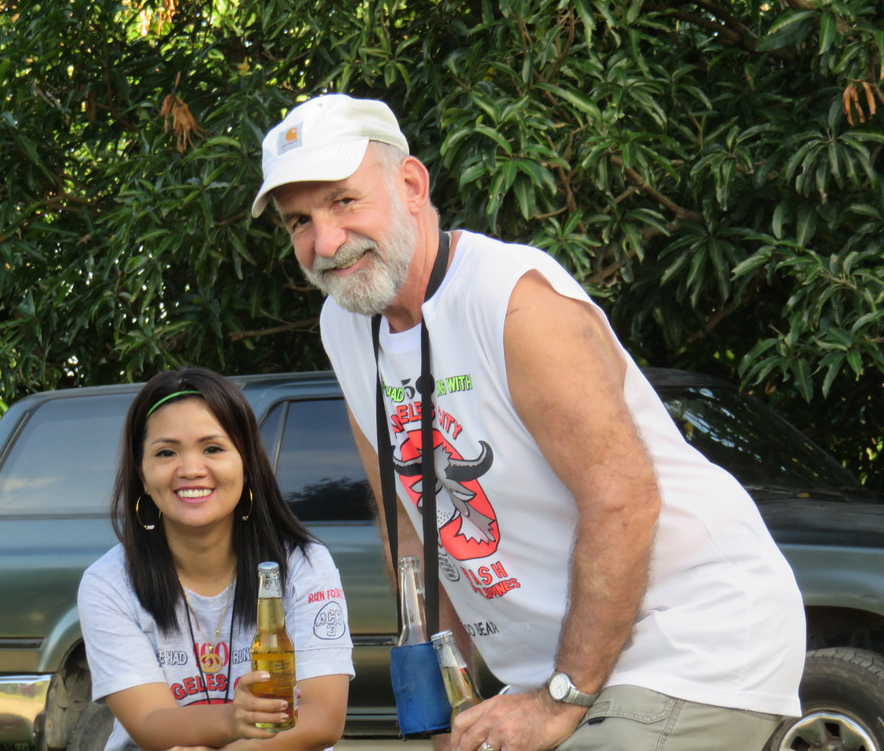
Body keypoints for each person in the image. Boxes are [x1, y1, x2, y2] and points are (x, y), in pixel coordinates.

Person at [250, 94, 806, 751]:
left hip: (691, 638)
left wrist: (561, 697)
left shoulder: (511, 299)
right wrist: (447, 700)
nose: (325, 243)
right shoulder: (344, 327)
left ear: (411, 185)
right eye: (299, 222)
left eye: (344, 201)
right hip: (555, 669)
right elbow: (407, 527)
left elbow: (623, 499)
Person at [77, 367, 353, 751]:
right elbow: (150, 723)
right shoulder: (108, 583)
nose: (191, 470)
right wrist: (232, 720)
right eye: (166, 452)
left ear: (247, 464)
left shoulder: (305, 565)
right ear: (141, 473)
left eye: (213, 449)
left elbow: (322, 717)